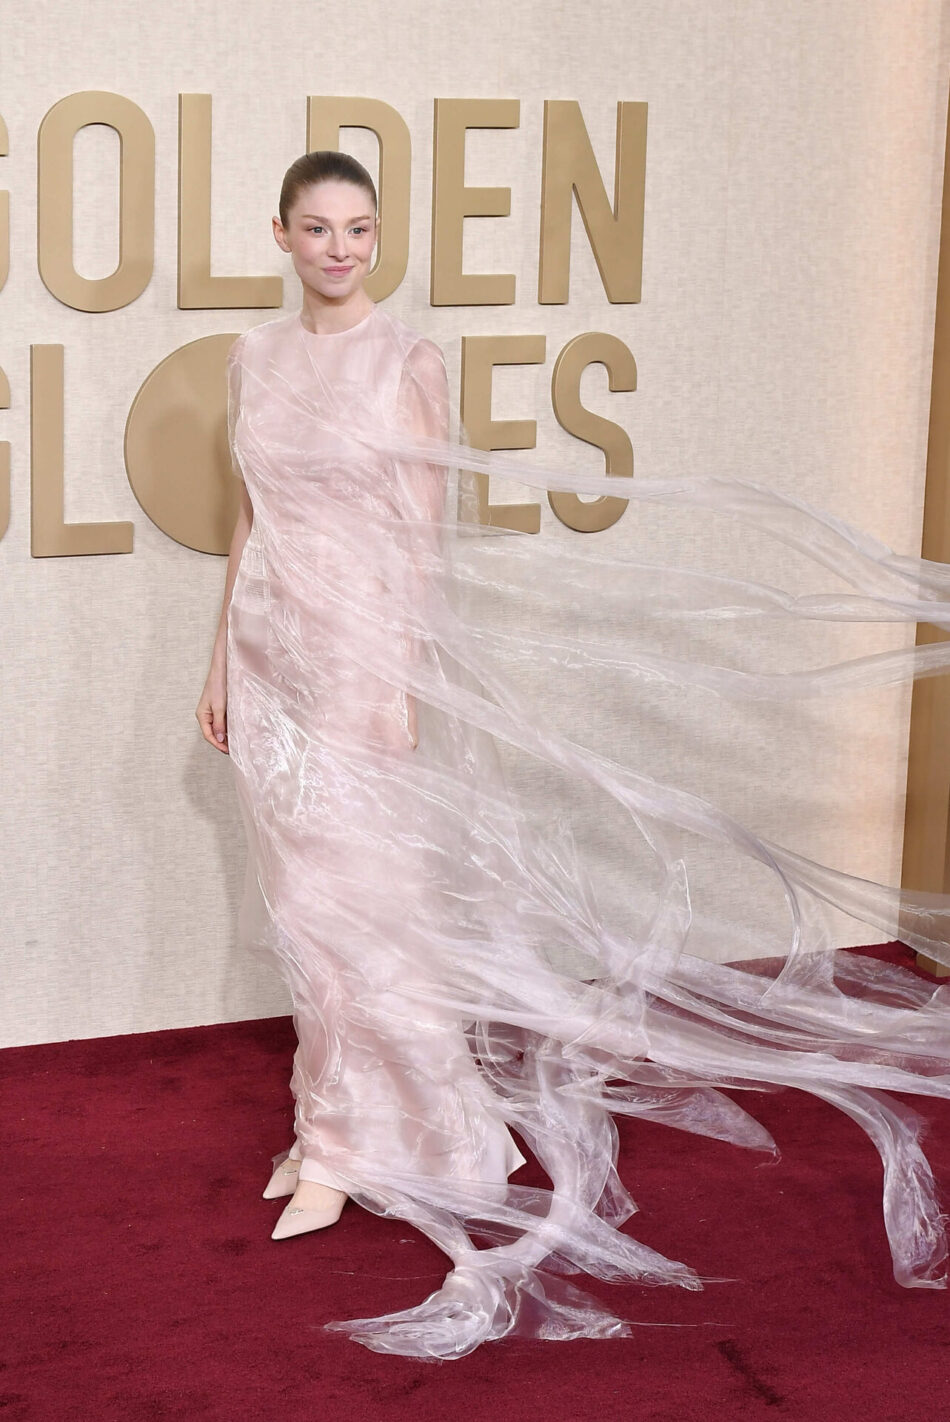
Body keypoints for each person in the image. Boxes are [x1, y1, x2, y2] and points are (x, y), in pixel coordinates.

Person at [196, 150, 950, 1360]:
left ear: (375, 238)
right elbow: (250, 516)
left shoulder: (406, 360)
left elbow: (421, 542)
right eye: (317, 227)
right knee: (302, 911)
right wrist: (219, 659)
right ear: (279, 235)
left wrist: (400, 685)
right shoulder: (253, 358)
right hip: (270, 660)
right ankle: (327, 1125)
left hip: (356, 665)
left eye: (359, 227)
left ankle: (374, 1143)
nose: (339, 247)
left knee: (365, 908)